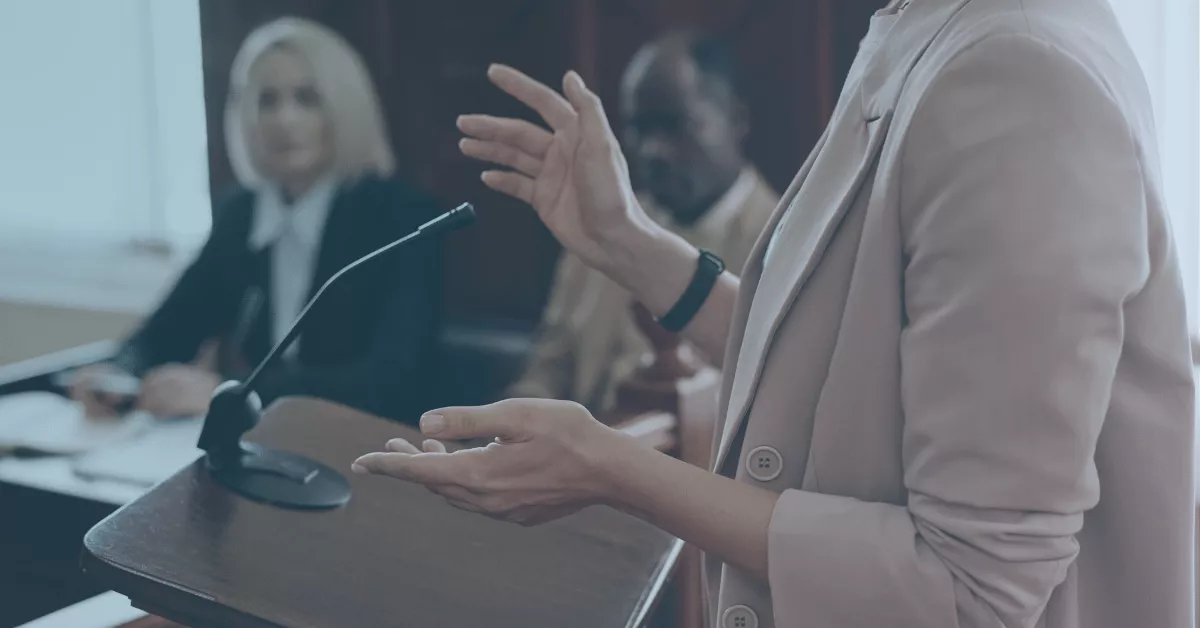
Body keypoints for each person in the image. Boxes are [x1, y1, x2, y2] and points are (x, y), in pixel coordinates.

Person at [354, 1, 1194, 627]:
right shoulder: (924, 28)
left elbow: (971, 586)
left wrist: (609, 470)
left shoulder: (1017, 72)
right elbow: (851, 367)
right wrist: (630, 244)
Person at [71, 17, 442, 424]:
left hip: (365, 446)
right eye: (267, 100)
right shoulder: (241, 213)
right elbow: (166, 331)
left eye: (307, 98)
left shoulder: (402, 217)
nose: (284, 120)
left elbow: (390, 381)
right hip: (263, 444)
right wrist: (119, 372)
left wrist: (230, 390)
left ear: (343, 106)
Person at [508, 32, 778, 411]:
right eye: (640, 128)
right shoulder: (599, 224)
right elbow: (549, 367)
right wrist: (508, 434)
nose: (654, 150)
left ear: (737, 119)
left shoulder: (784, 246)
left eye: (675, 125)